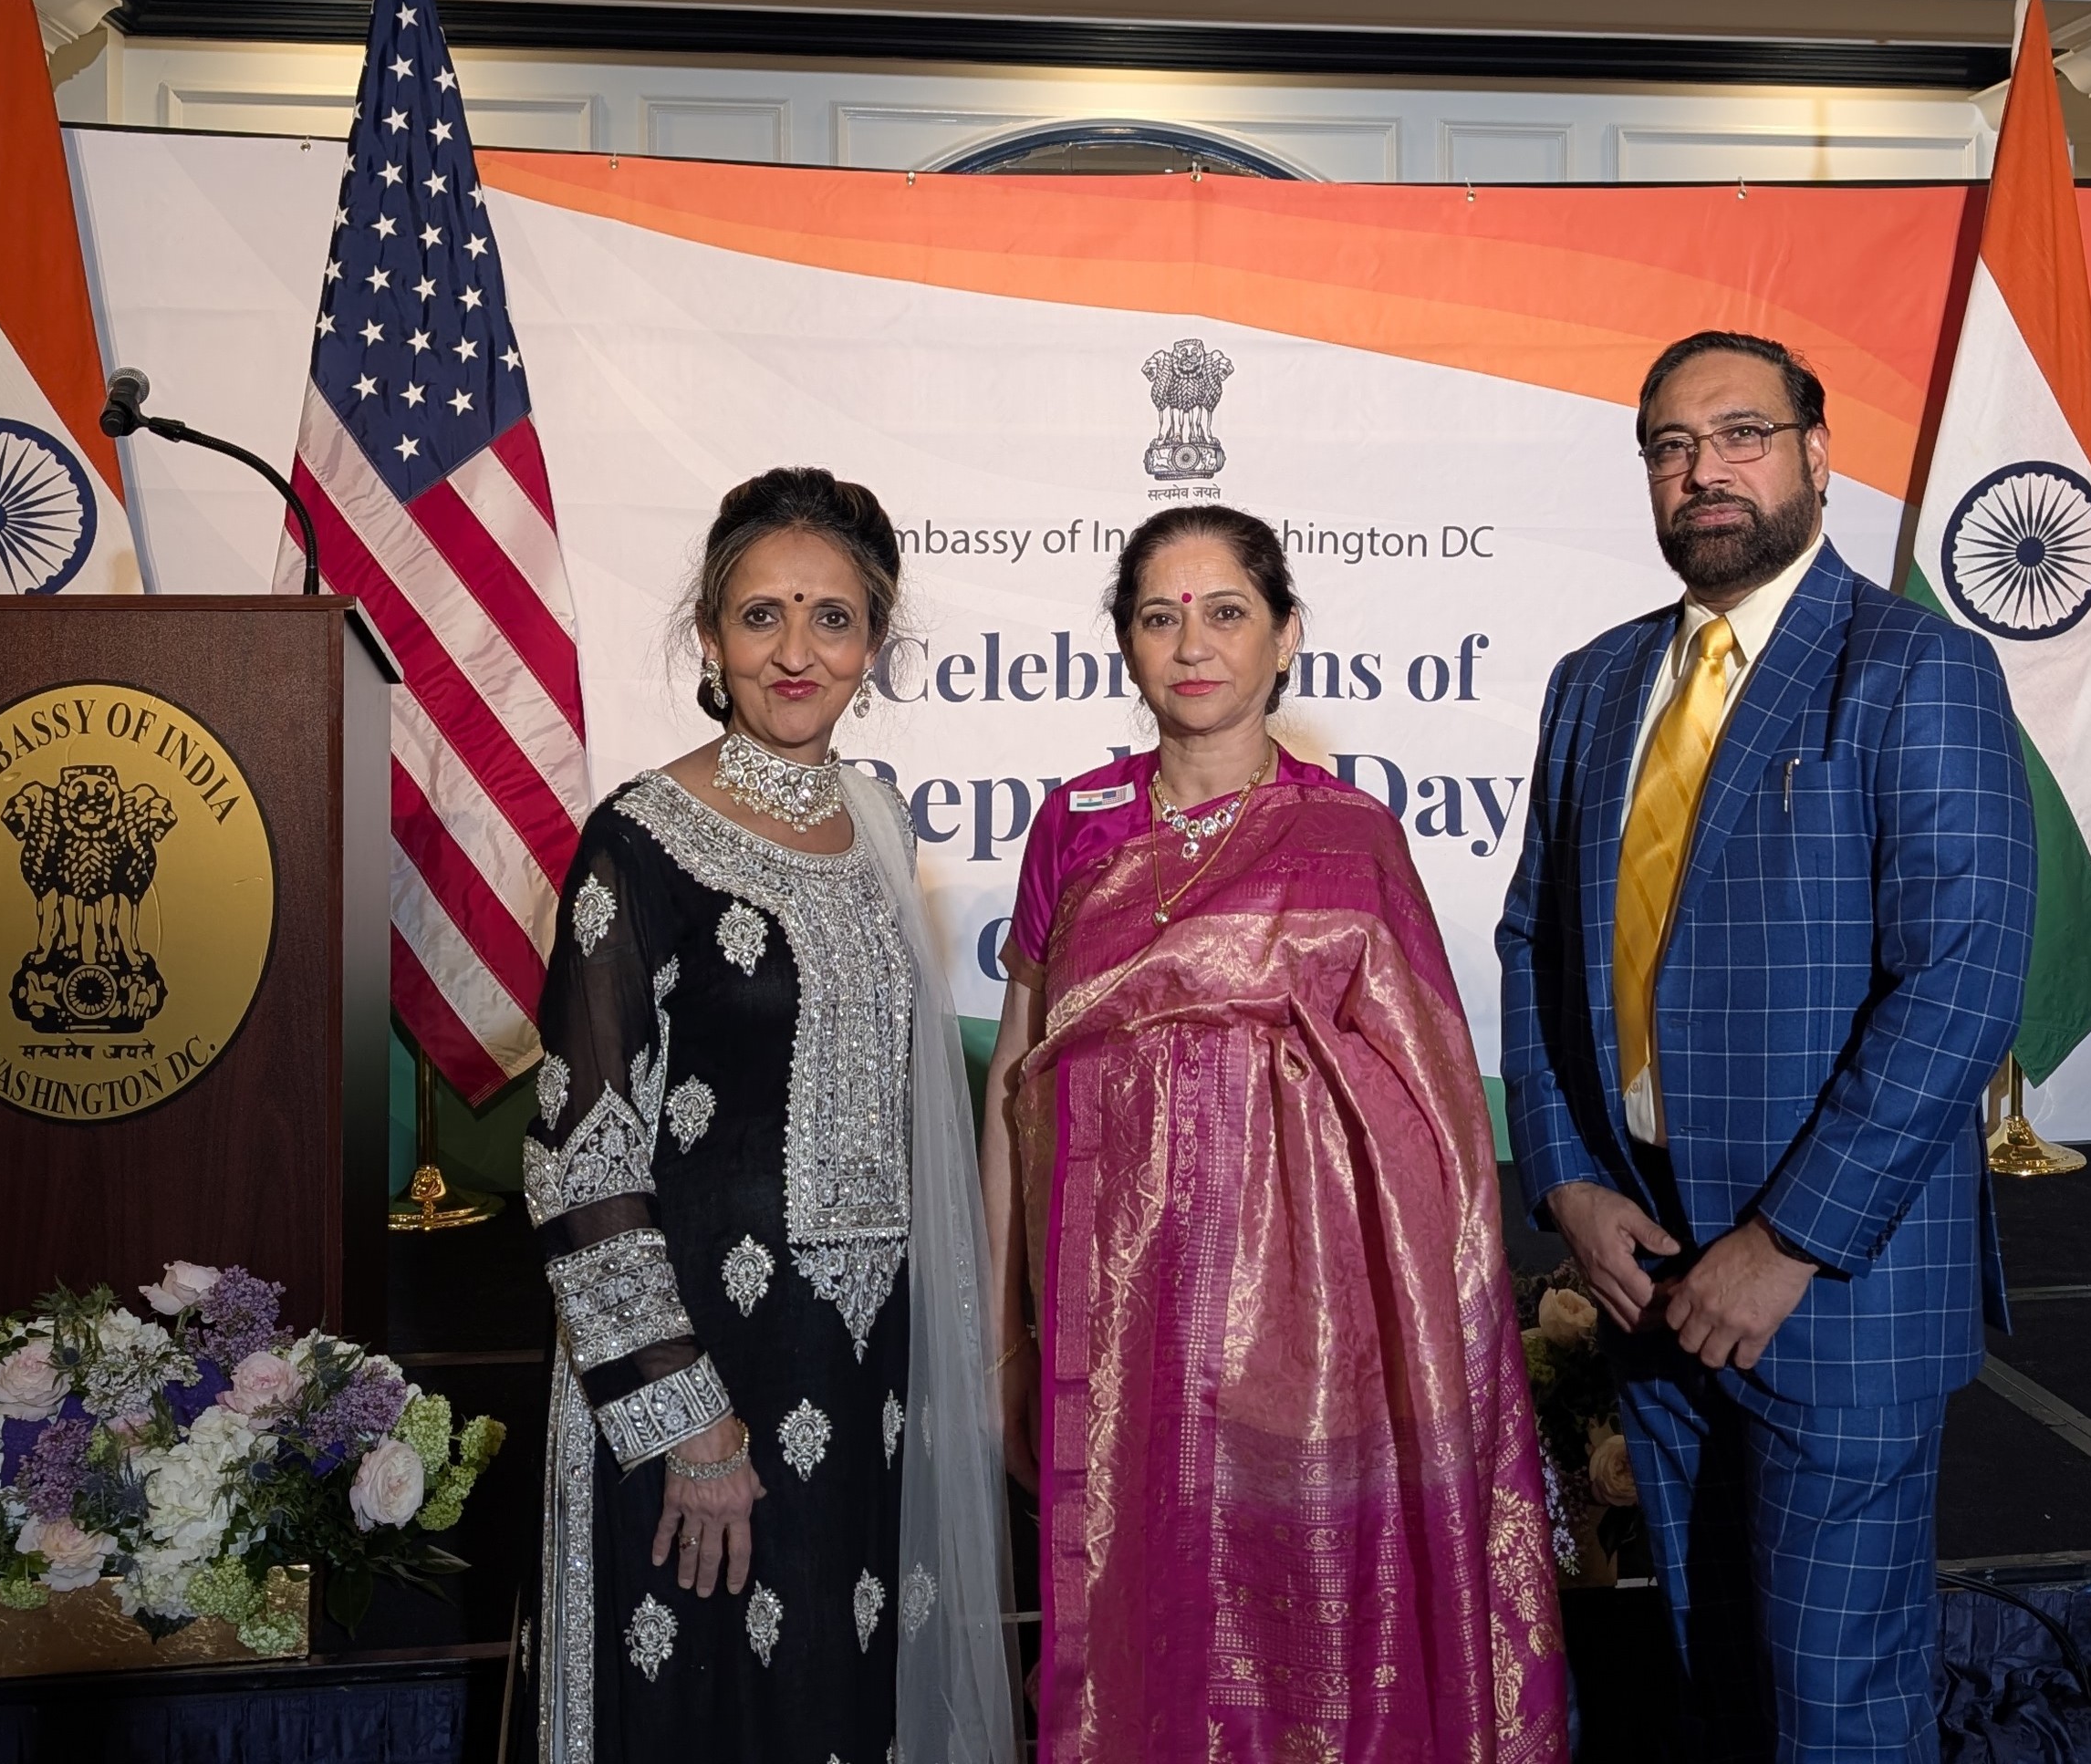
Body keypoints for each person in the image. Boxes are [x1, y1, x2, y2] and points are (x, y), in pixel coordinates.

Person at [1498, 333, 2037, 1763]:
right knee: (1716, 1690)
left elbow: (1963, 984)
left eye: (1741, 434)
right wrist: (1565, 1181)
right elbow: (1533, 944)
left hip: (1830, 1290)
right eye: (1673, 446)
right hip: (1643, 1269)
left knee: (1834, 1715)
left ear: (1817, 451)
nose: (1706, 471)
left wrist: (1787, 1242)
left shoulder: (1917, 669)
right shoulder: (1596, 684)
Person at [978, 506, 1568, 1764]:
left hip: (1315, 1347)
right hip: (1118, 1326)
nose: (1193, 644)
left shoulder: (1352, 837)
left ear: (1287, 633)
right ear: (1125, 645)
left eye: (1226, 612)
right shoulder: (1076, 828)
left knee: (1309, 1629)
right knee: (1138, 1630)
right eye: (1159, 616)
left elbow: (1435, 1115)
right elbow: (1018, 1087)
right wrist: (1003, 1338)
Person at [521, 468, 1014, 1764]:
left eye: (832, 618)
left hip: (865, 1377)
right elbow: (580, 1157)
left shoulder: (882, 825)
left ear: (875, 642)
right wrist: (686, 1418)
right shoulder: (639, 841)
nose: (796, 652)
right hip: (702, 1369)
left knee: (843, 1700)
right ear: (708, 636)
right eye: (761, 616)